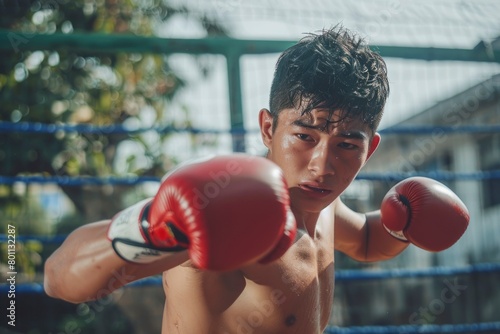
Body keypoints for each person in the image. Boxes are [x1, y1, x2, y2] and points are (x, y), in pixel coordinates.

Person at [44, 25, 469, 333]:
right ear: (268, 128)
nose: (323, 165)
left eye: (346, 145)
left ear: (369, 148)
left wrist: (404, 222)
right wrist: (153, 226)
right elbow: (59, 277)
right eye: (304, 136)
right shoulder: (230, 209)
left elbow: (369, 241)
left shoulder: (325, 207)